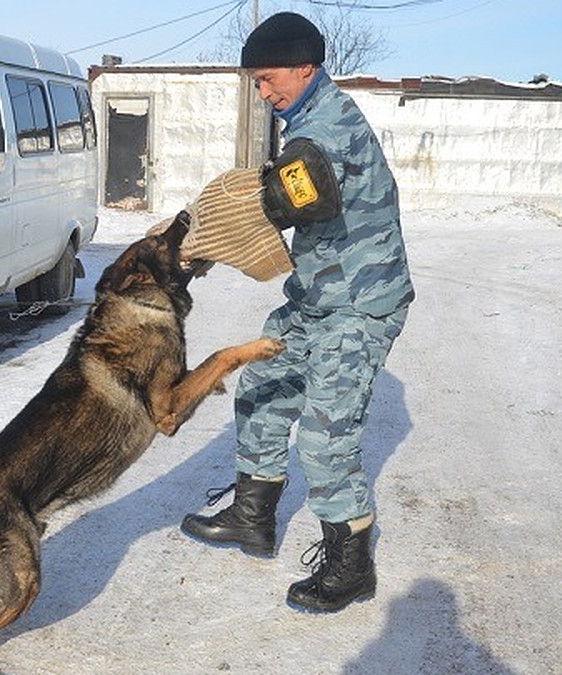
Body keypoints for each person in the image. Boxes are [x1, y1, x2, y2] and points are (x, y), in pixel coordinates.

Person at [180, 11, 414, 613]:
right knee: (260, 387)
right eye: (256, 83)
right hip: (317, 298)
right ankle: (252, 518)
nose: (263, 92)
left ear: (306, 66)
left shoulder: (328, 132)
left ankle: (350, 564)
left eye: (268, 78)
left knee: (325, 435)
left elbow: (294, 193)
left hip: (359, 307)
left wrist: (205, 231)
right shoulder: (306, 120)